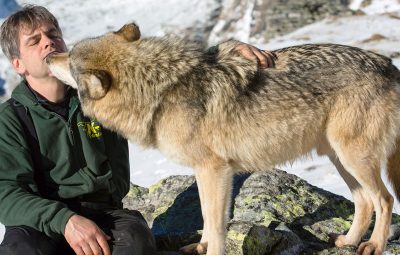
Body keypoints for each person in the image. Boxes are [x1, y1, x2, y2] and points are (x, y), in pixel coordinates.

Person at [0, 5, 275, 255]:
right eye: (34, 41)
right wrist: (66, 221)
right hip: (42, 223)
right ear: (18, 64)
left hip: (104, 215)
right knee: (18, 250)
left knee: (136, 240)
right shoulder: (10, 119)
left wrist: (224, 54)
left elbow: (154, 68)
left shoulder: (102, 92)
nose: (48, 41)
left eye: (53, 34)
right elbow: (6, 194)